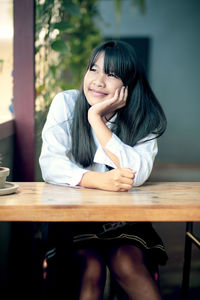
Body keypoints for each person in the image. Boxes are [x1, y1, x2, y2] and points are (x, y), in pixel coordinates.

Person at [39, 40, 168, 300]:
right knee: (92, 268)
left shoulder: (145, 118)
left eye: (111, 74)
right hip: (74, 218)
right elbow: (51, 164)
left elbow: (137, 173)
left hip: (124, 219)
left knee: (127, 263)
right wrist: (98, 180)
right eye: (94, 69)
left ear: (129, 83)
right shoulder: (65, 103)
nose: (98, 80)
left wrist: (96, 120)